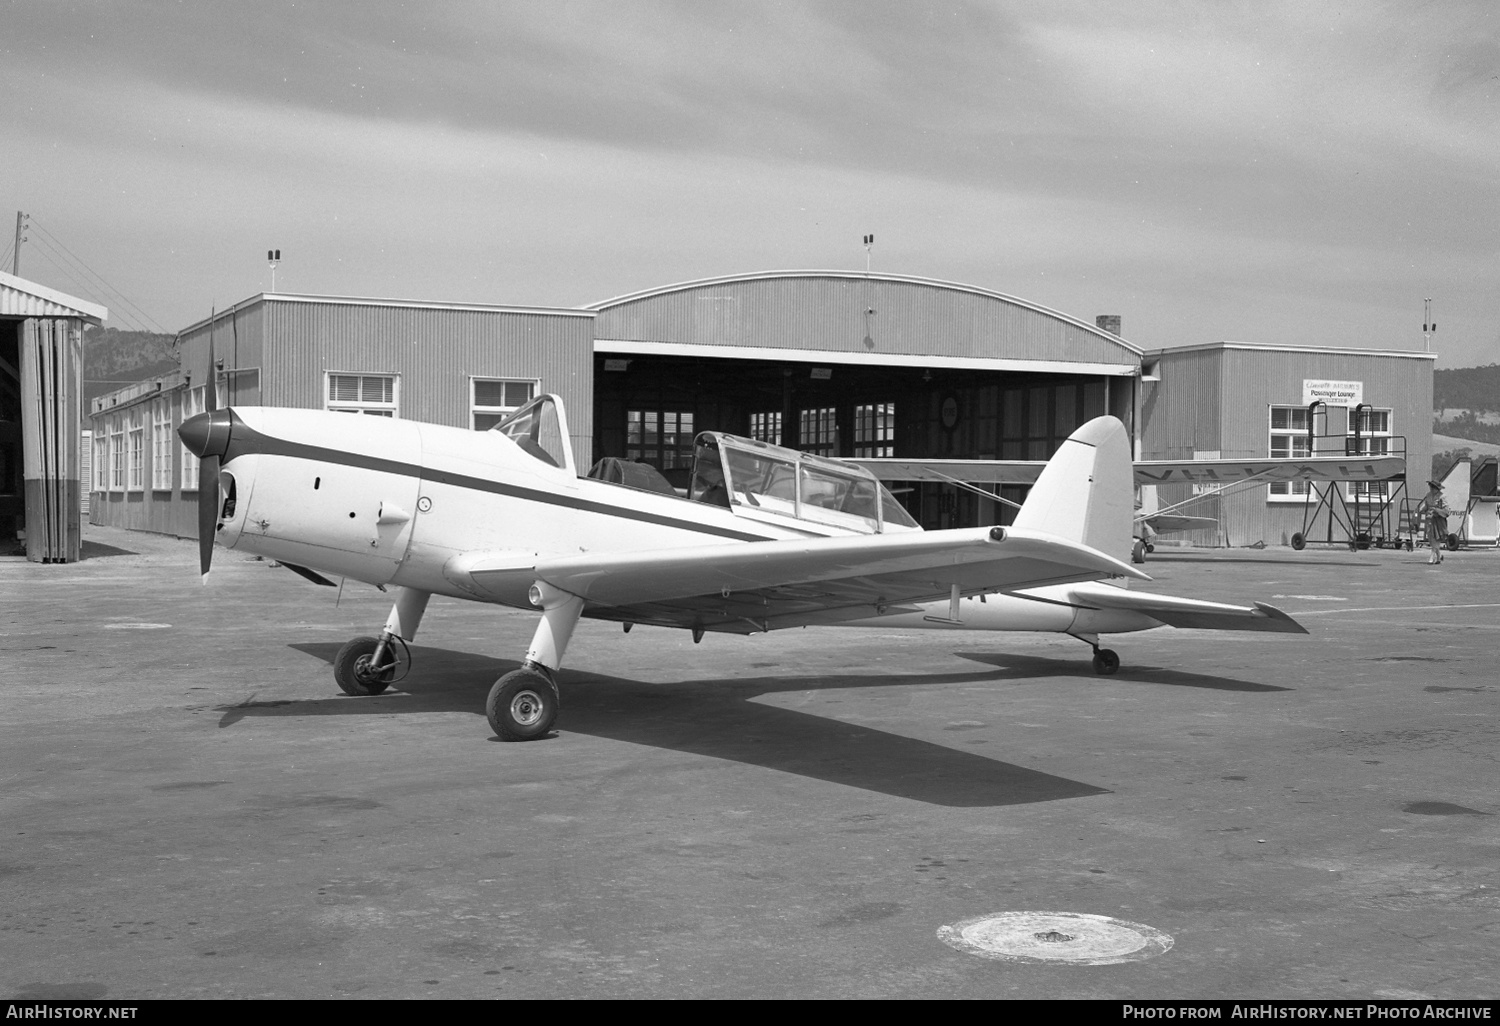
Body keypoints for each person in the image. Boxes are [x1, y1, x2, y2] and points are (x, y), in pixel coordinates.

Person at [1417, 479, 1453, 565]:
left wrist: (1436, 510)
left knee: (1435, 537)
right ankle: (1439, 557)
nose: (1432, 489)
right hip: (1429, 519)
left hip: (1438, 520)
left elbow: (1446, 510)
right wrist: (1420, 510)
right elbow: (1426, 506)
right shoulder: (1428, 495)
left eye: (1434, 487)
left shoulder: (1442, 496)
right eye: (1431, 487)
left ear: (1437, 488)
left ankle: (1431, 557)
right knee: (1431, 537)